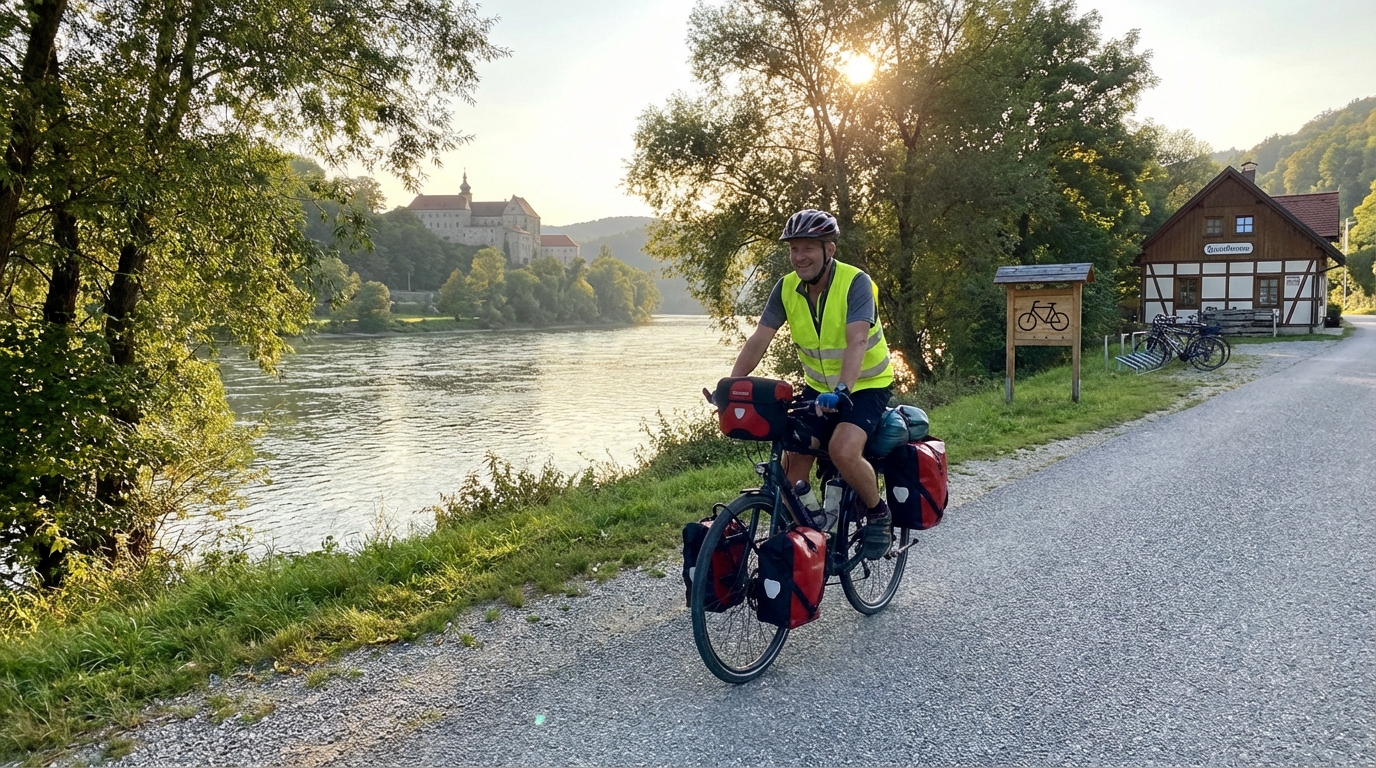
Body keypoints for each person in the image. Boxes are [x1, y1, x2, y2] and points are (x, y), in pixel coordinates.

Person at [728, 209, 895, 559]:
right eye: (794, 249)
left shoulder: (855, 282)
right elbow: (760, 338)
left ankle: (878, 512)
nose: (799, 257)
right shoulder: (786, 287)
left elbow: (857, 342)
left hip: (866, 386)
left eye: (808, 248)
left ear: (829, 250)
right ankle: (815, 529)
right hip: (818, 389)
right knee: (793, 461)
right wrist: (730, 385)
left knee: (843, 450)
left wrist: (843, 391)